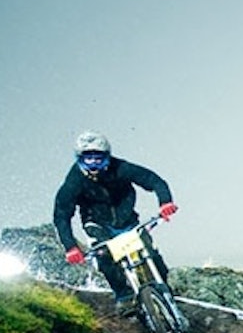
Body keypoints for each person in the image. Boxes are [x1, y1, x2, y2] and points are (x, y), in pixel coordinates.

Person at [54, 131, 179, 313]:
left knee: (148, 251)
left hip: (127, 218)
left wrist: (165, 202)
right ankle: (124, 296)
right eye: (88, 159)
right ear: (79, 159)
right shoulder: (73, 182)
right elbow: (61, 215)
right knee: (104, 256)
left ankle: (164, 289)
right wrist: (70, 247)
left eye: (99, 158)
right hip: (97, 224)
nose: (94, 163)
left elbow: (153, 180)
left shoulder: (121, 168)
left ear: (107, 156)